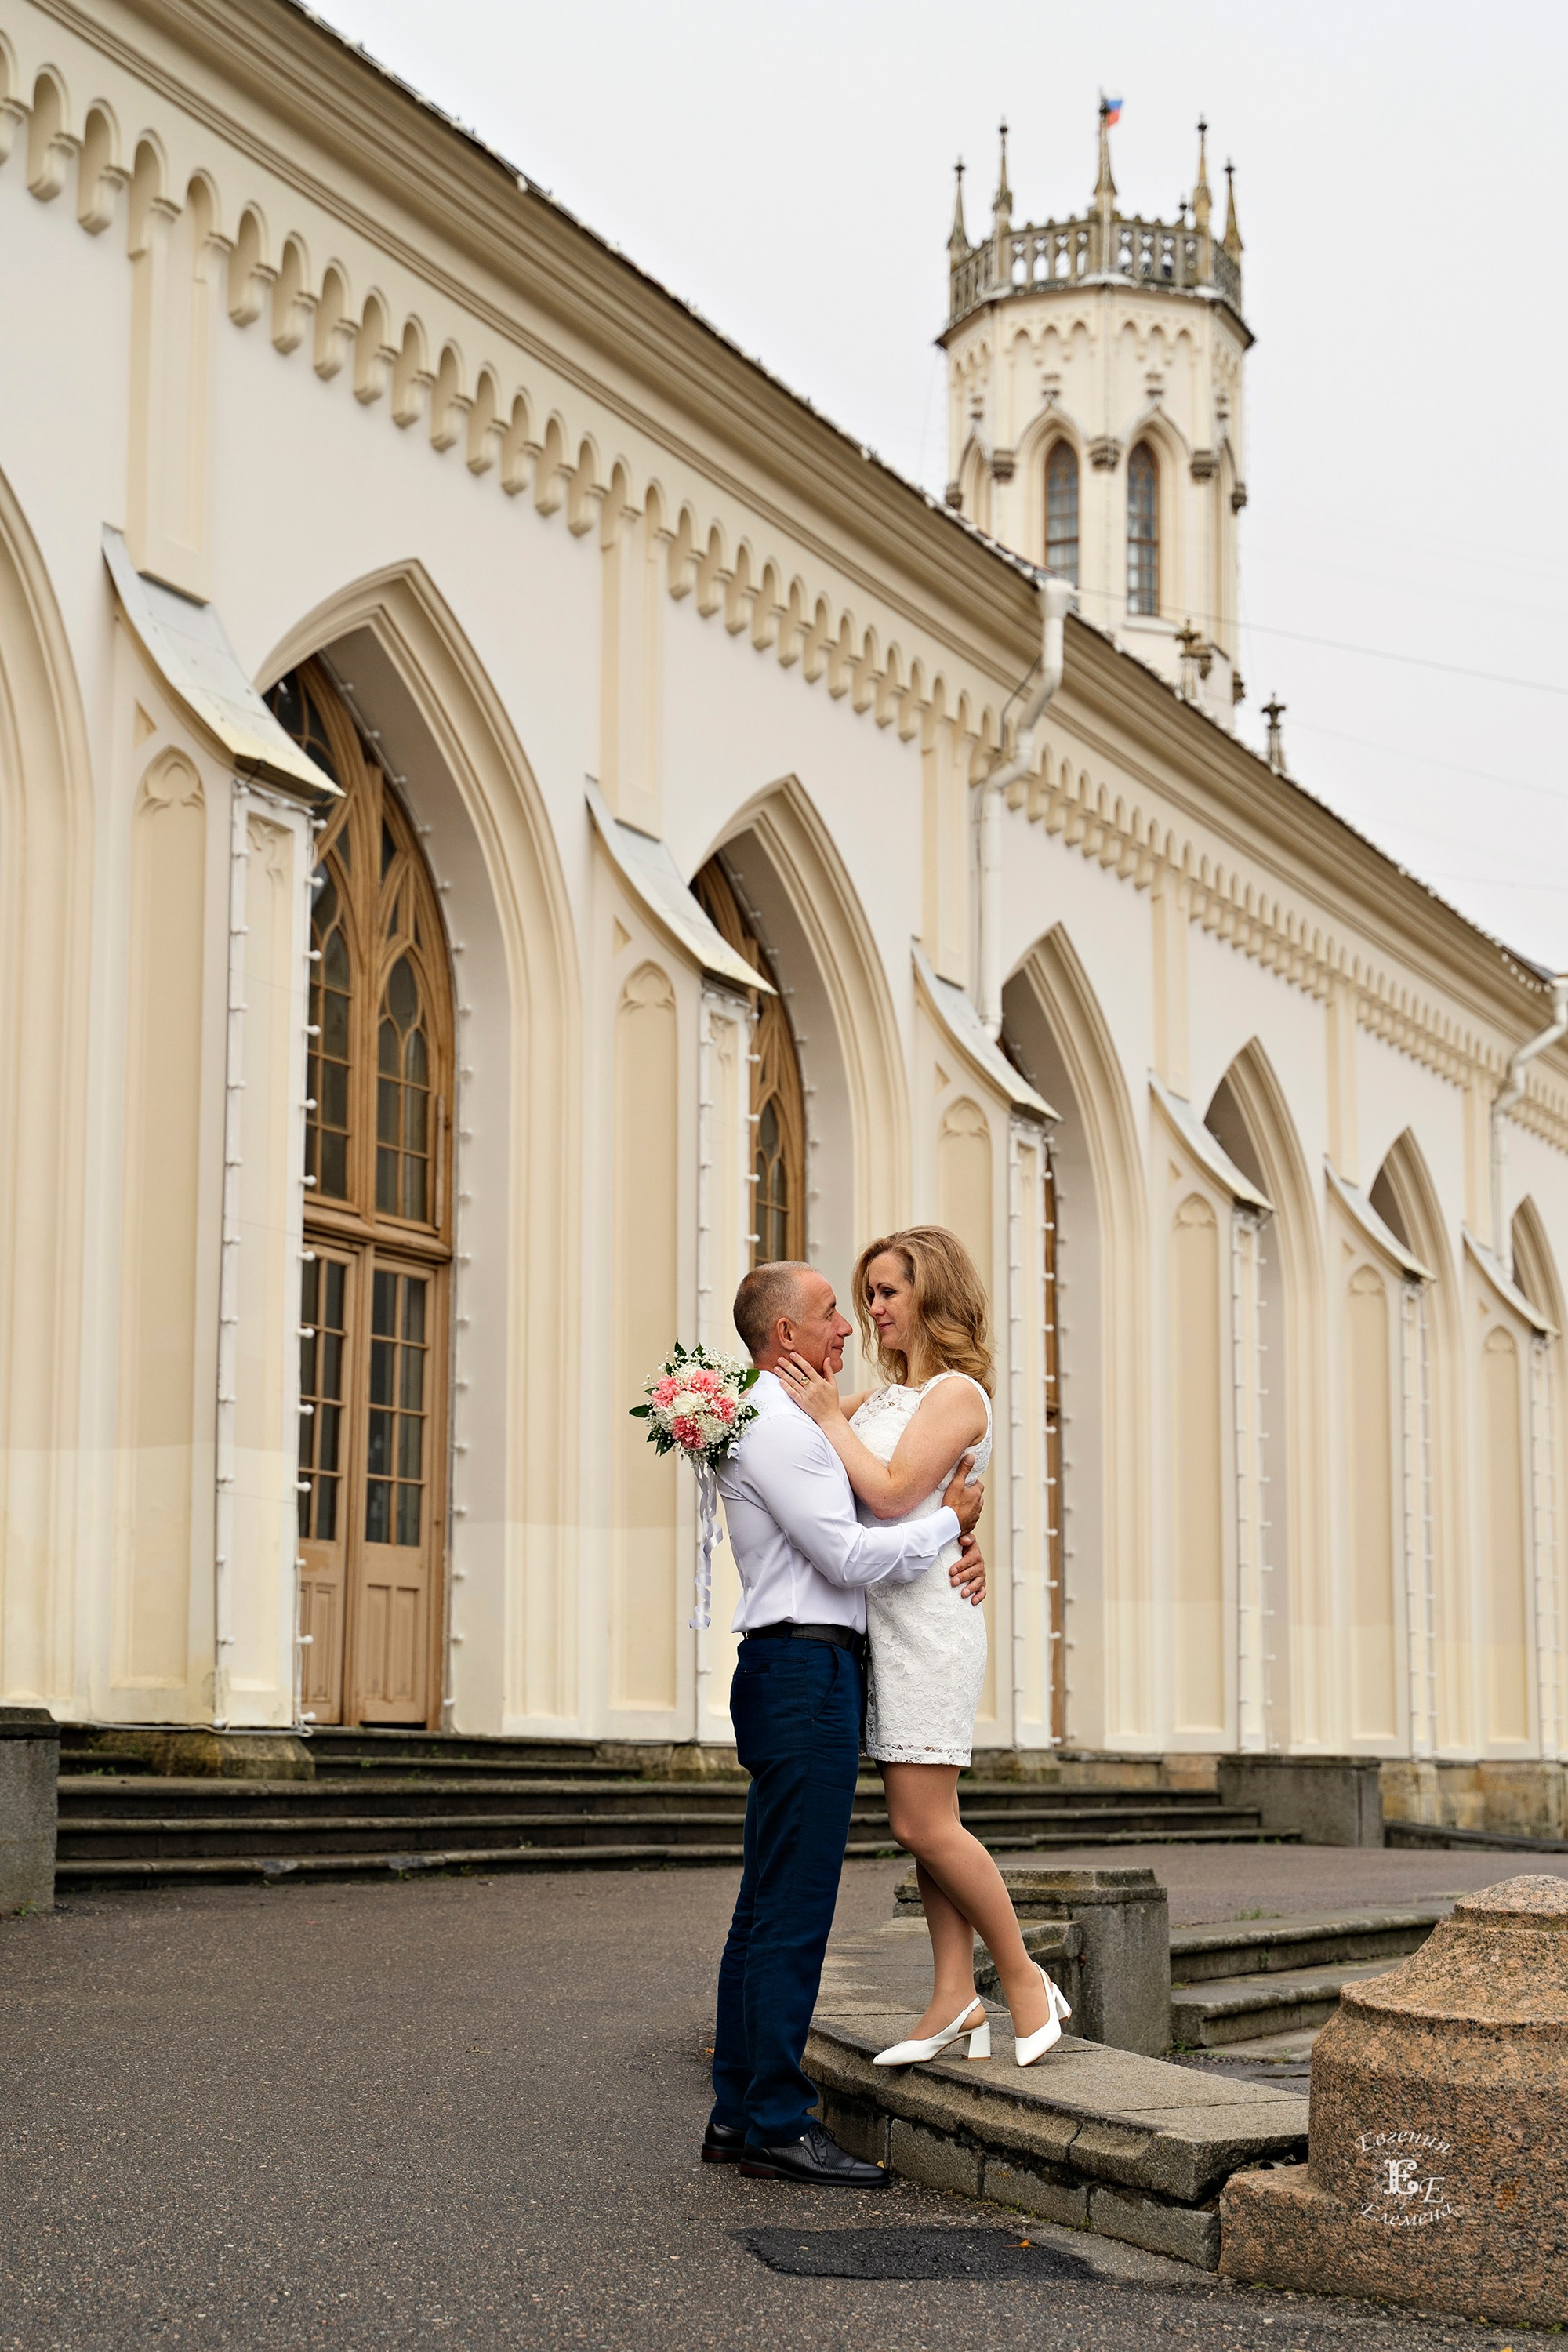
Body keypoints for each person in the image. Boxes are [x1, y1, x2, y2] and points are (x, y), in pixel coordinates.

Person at [705, 1258, 988, 2188]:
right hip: (804, 1669)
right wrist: (947, 1525)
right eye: (832, 1312)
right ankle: (777, 2123)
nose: (846, 1327)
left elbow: (884, 1457)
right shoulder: (778, 1427)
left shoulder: (772, 1414)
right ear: (784, 1335)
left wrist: (953, 1536)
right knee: (790, 1912)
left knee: (762, 1905)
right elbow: (847, 1552)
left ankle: (737, 2113)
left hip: (796, 1664)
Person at [775, 1226, 1071, 2071]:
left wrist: (831, 1418)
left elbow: (896, 1491)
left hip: (931, 1628)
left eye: (887, 1292)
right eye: (866, 1294)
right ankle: (952, 1997)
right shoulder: (873, 1403)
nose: (872, 1309)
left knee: (919, 1819)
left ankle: (1020, 1978)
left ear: (930, 1294)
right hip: (885, 1624)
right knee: (926, 1826)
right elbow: (861, 1501)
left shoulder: (957, 1394)